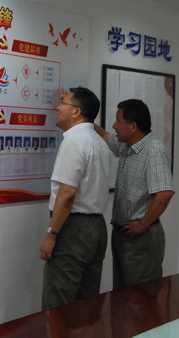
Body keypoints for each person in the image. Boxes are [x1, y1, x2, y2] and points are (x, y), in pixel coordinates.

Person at [39, 87, 110, 309]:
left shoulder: (74, 141)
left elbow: (67, 194)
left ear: (76, 112)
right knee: (86, 306)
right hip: (96, 228)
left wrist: (52, 234)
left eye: (63, 103)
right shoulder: (98, 141)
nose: (57, 107)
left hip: (73, 229)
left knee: (58, 305)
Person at [94, 99, 174, 289]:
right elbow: (104, 135)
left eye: (118, 120)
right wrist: (84, 115)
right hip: (123, 233)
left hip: (141, 237)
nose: (114, 125)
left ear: (133, 126)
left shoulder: (153, 151)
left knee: (141, 297)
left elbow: (165, 192)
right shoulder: (127, 145)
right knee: (123, 295)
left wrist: (143, 224)